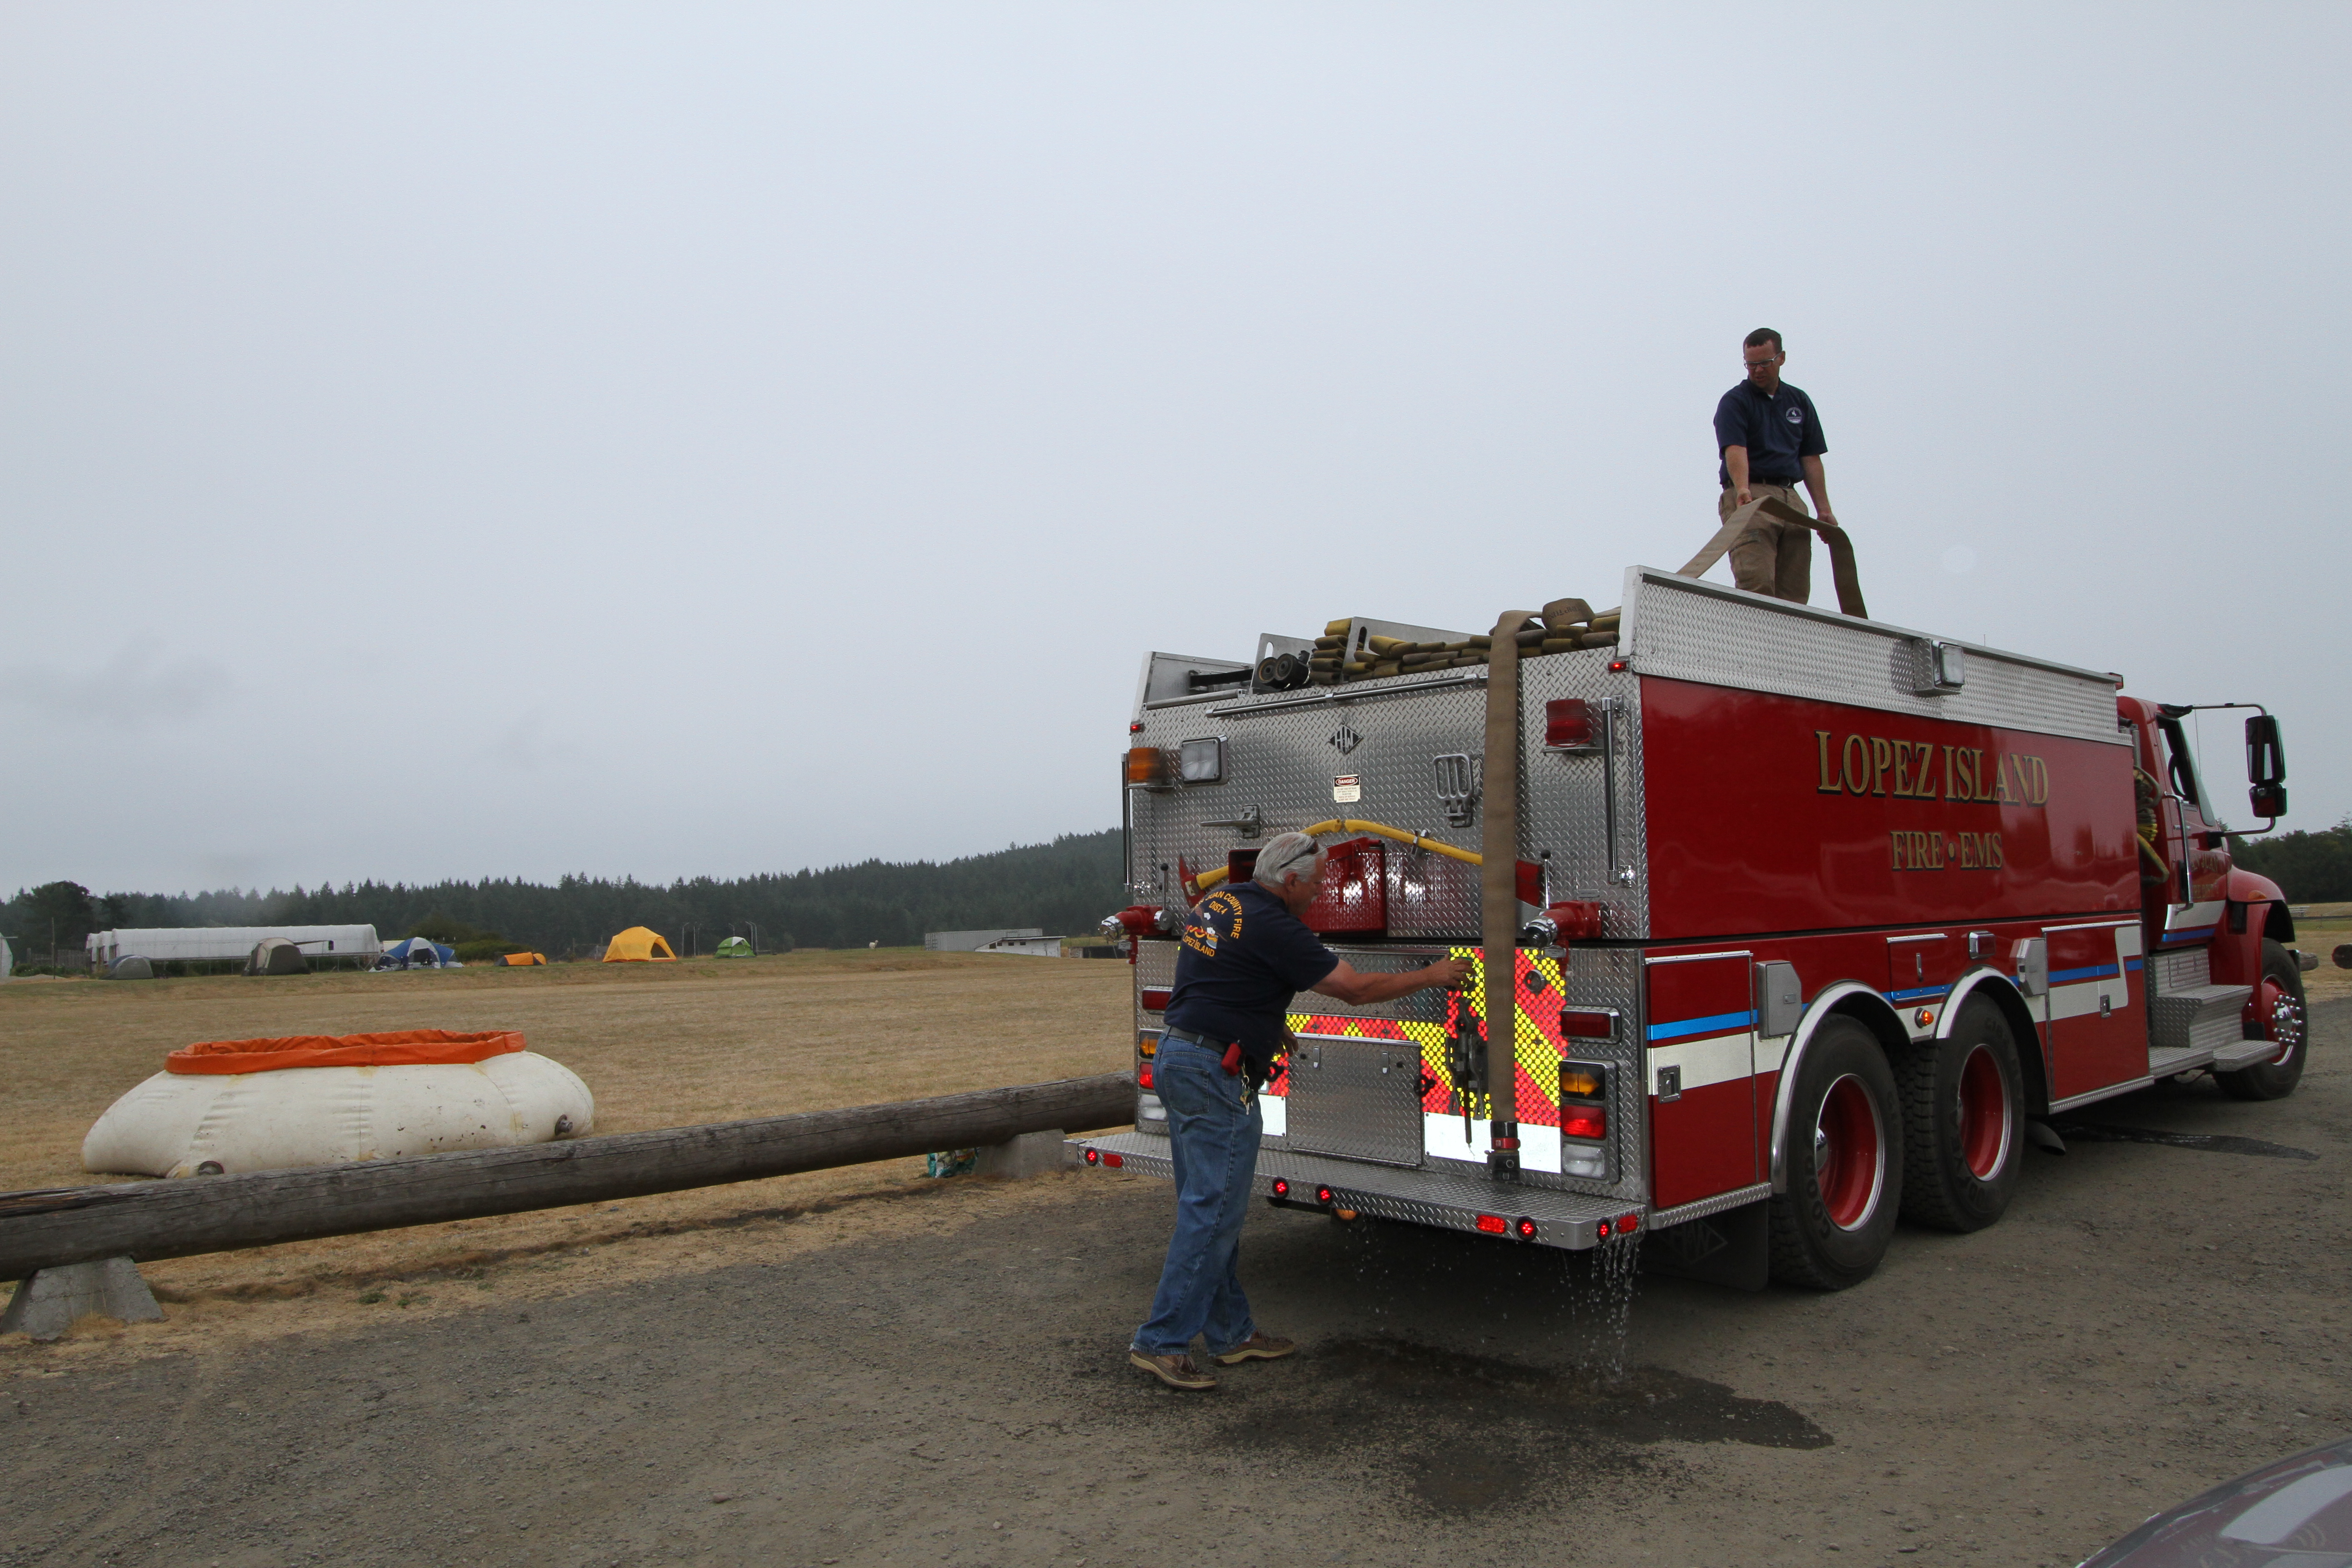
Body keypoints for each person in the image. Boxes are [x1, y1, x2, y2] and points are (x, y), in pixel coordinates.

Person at [1127, 832, 1472, 1391]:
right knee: (1212, 1213)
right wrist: (1431, 975)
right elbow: (1354, 990)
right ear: (1290, 881)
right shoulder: (1275, 925)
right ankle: (1161, 1341)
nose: (1319, 895)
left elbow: (1226, 978)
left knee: (1209, 1208)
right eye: (1315, 885)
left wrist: (1268, 1025)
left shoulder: (1220, 903)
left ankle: (1231, 1333)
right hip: (1216, 1075)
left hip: (1181, 1058)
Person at [1713, 328, 1839, 603]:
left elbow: (1811, 457)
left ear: (1781, 359)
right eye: (1751, 364)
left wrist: (1824, 510)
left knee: (1794, 594)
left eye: (1764, 363)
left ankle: (1786, 643)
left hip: (1791, 499)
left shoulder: (1799, 401)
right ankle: (1752, 642)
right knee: (1756, 584)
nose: (1757, 371)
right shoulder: (1735, 401)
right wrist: (1742, 489)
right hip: (1752, 496)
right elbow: (1735, 449)